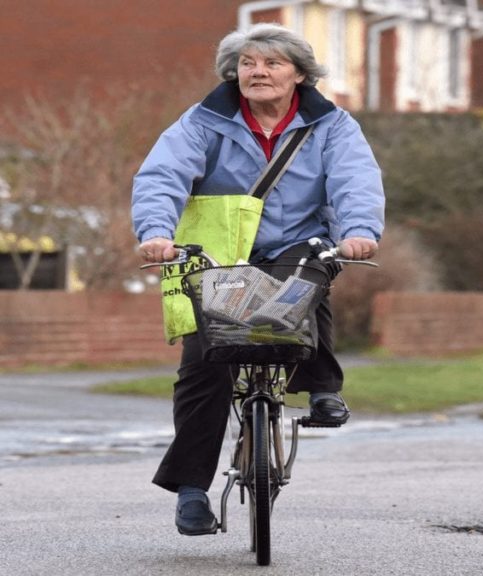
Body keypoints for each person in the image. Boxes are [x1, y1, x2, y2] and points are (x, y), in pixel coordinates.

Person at [132, 23, 384, 536]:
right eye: (248, 63)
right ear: (234, 72)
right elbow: (163, 175)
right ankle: (192, 492)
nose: (257, 72)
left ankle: (321, 389)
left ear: (299, 74)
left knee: (308, 277)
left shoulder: (331, 125)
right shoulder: (204, 121)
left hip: (295, 241)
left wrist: (359, 232)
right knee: (206, 360)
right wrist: (156, 233)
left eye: (271, 63)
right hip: (222, 250)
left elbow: (355, 179)